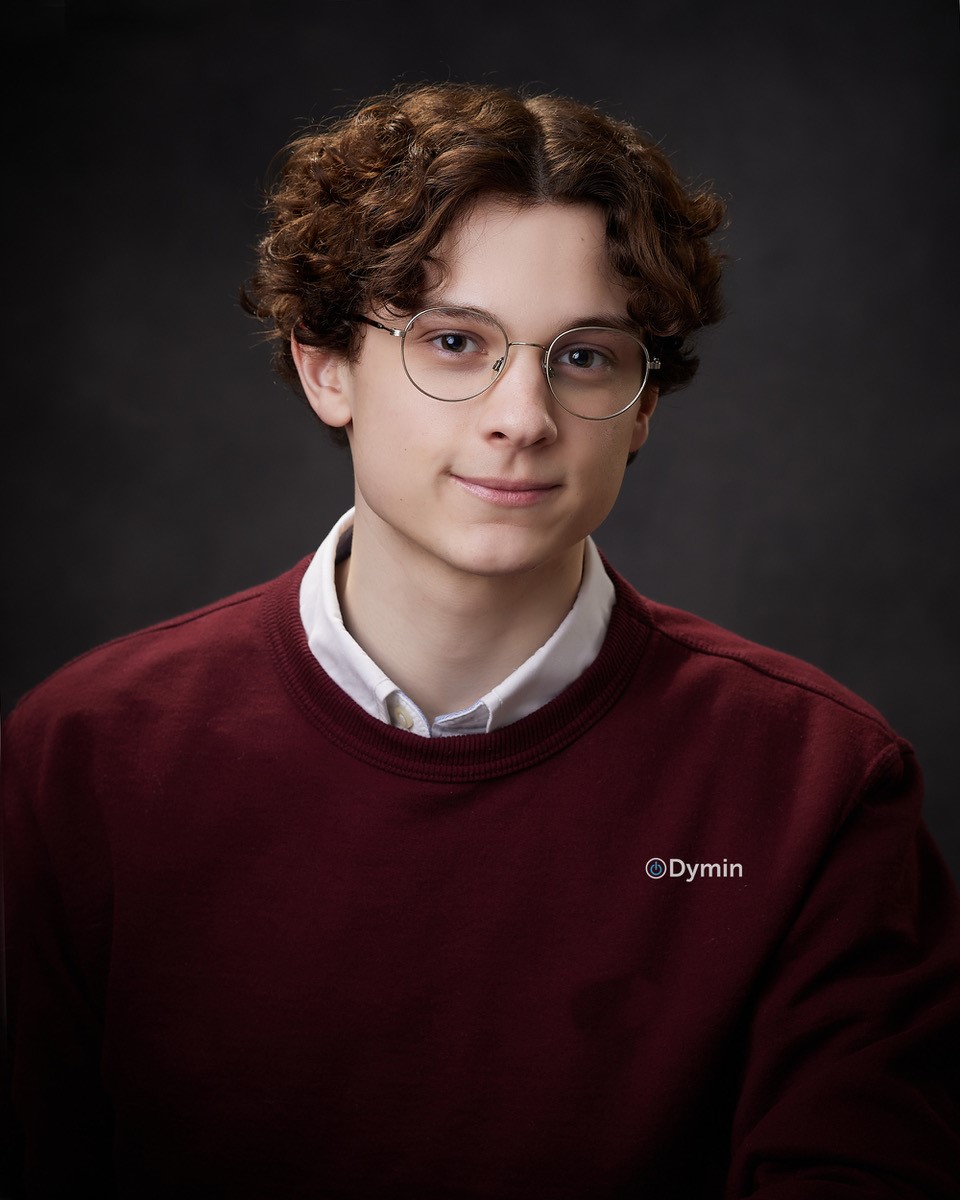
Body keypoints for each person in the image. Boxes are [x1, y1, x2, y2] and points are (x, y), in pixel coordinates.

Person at [3, 82, 958, 1199]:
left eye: (586, 356)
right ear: (325, 367)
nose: (523, 416)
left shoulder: (822, 785)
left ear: (645, 405)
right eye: (456, 343)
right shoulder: (84, 756)